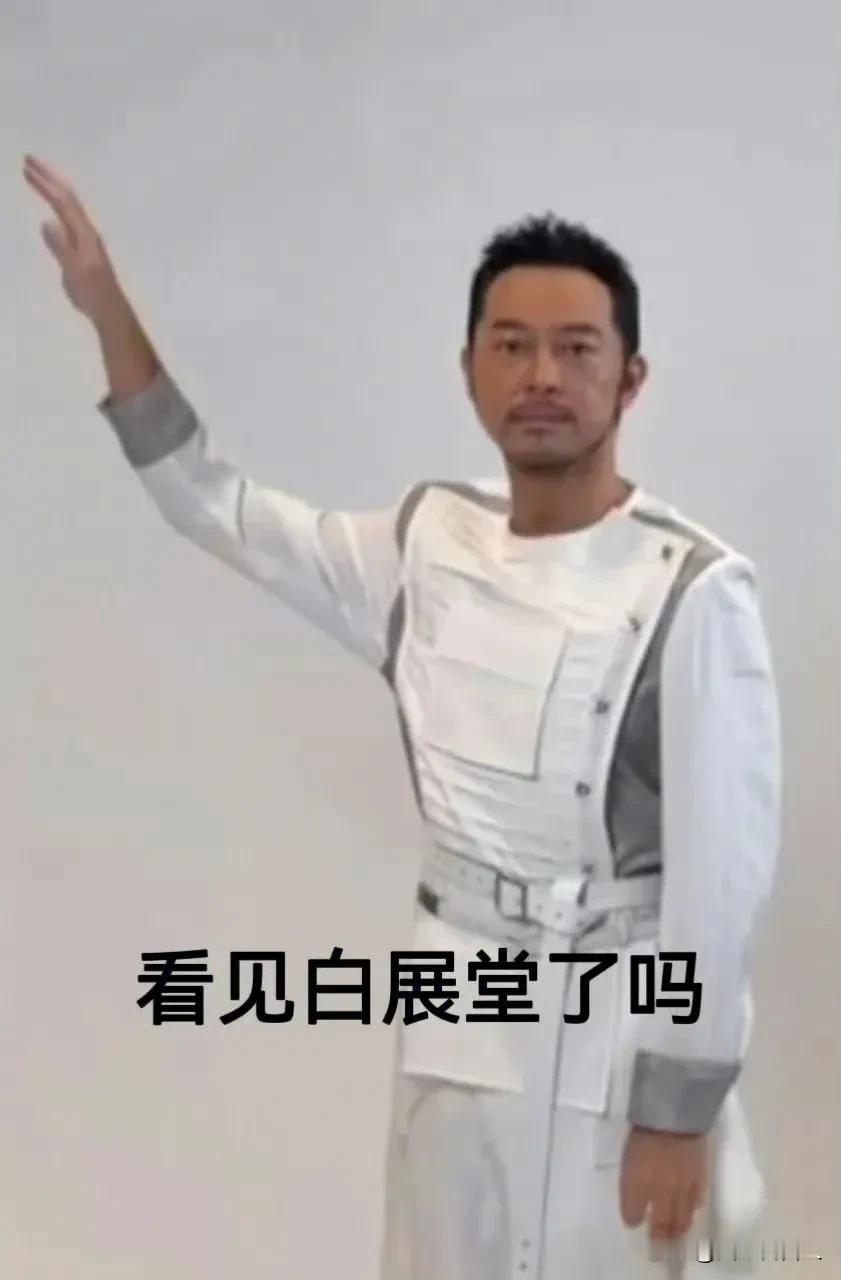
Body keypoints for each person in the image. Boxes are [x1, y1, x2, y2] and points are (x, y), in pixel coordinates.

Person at [23, 152, 781, 1278]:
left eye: (576, 349)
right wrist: (107, 312)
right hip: (458, 1005)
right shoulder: (425, 539)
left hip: (618, 1029)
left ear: (629, 379)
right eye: (510, 344)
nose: (541, 375)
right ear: (469, 370)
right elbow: (212, 502)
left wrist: (679, 1105)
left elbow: (724, 880)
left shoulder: (695, 588)